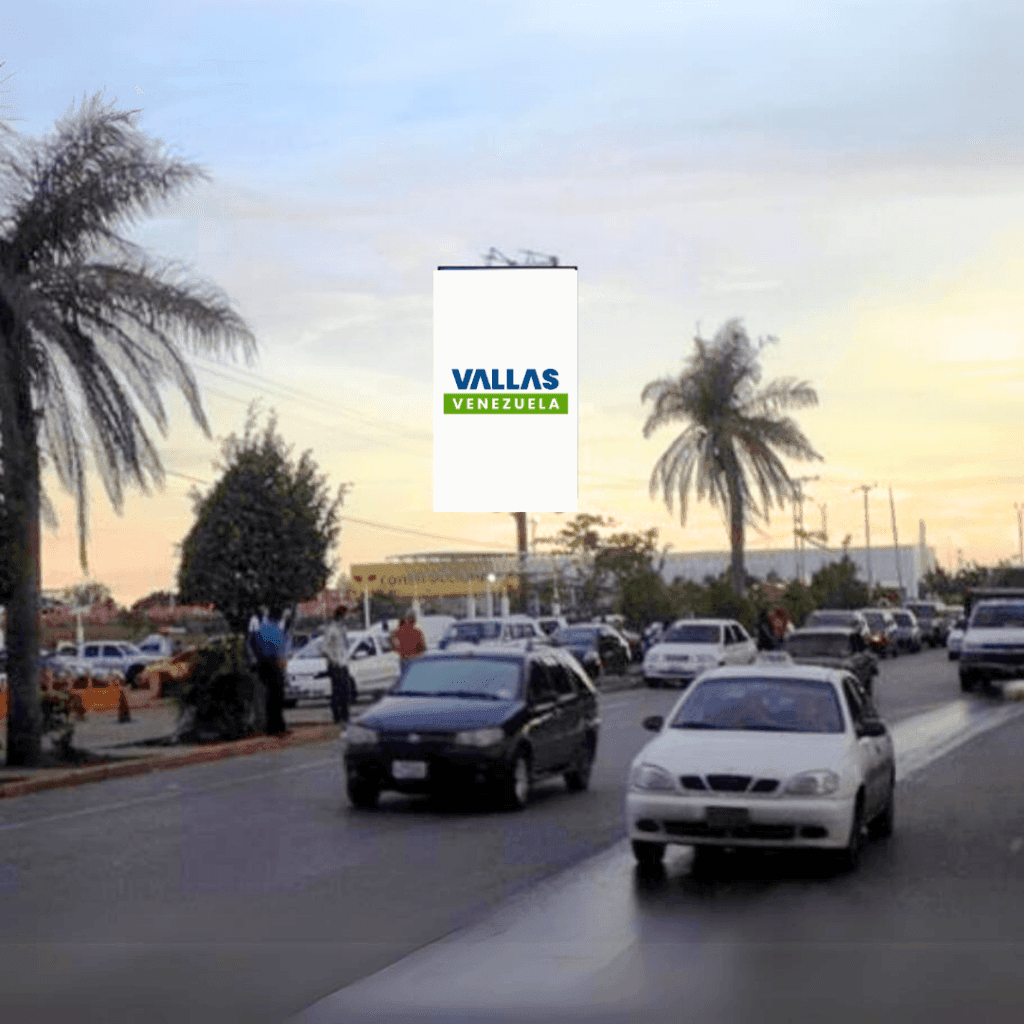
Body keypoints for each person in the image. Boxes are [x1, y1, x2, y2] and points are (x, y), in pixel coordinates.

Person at [252, 607, 289, 736]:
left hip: (262, 663)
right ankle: (277, 725)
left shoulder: (261, 628)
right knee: (277, 695)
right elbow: (280, 650)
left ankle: (272, 725)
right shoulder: (276, 629)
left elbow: (254, 644)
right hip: (273, 663)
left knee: (269, 695)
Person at [322, 604, 355, 724]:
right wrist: (333, 660)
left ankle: (345, 716)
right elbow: (325, 648)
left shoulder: (342, 629)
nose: (347, 618)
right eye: (345, 615)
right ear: (341, 616)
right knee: (337, 692)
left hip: (343, 663)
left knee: (346, 691)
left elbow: (344, 646)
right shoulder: (332, 630)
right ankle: (337, 717)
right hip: (336, 664)